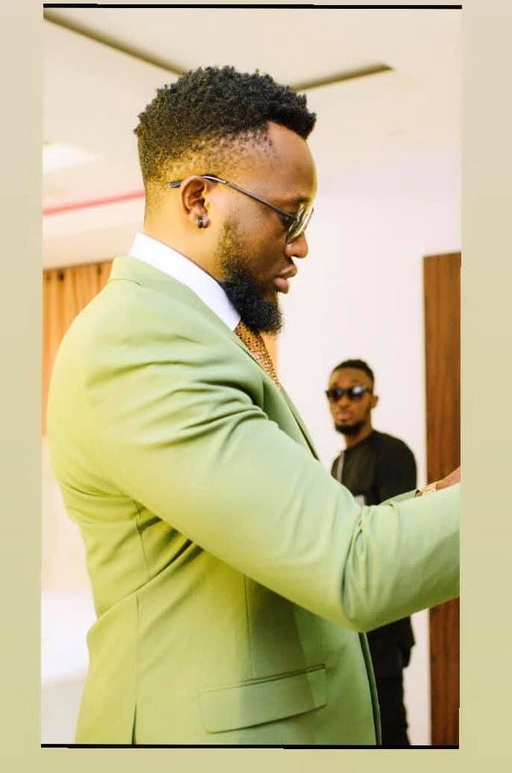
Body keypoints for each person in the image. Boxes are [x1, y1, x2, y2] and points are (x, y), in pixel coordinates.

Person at [47, 65, 460, 746]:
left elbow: (295, 526)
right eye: (289, 215)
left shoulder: (194, 333)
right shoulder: (141, 342)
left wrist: (439, 501)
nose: (301, 244)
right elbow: (349, 568)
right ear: (200, 200)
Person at [326, 358, 418, 746]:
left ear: (373, 399)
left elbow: (396, 536)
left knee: (388, 733)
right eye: (335, 393)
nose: (344, 401)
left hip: (384, 622)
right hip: (348, 626)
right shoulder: (337, 465)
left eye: (355, 391)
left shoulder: (392, 453)